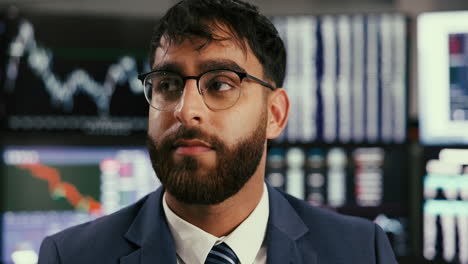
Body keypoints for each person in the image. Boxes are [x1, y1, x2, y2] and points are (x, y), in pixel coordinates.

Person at [38, 0, 398, 263]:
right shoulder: (70, 256)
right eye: (167, 84)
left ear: (275, 113)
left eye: (221, 84)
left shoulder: (361, 251)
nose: (186, 110)